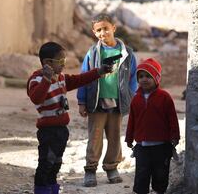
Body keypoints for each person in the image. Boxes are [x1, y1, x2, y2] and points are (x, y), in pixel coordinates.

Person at [27, 42, 113, 194]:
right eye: (60, 61)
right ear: (47, 63)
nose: (63, 65)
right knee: (46, 163)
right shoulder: (37, 80)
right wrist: (46, 80)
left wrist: (99, 71)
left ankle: (51, 187)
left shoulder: (60, 77)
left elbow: (79, 79)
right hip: (48, 131)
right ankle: (41, 189)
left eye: (64, 61)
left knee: (56, 163)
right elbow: (36, 98)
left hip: (61, 130)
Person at [77, 13, 138, 187]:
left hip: (117, 103)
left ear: (114, 28)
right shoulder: (93, 53)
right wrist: (82, 101)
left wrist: (131, 95)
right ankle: (90, 170)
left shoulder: (126, 53)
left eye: (106, 28)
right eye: (98, 30)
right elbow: (84, 77)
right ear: (93, 32)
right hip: (96, 102)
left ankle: (111, 167)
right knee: (94, 137)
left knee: (114, 136)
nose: (103, 33)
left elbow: (132, 78)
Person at [125, 58, 180, 194]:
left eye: (148, 76)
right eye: (141, 76)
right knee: (141, 175)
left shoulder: (164, 97)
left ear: (156, 78)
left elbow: (172, 118)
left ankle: (159, 191)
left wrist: (175, 136)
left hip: (162, 146)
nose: (144, 79)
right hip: (142, 147)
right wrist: (129, 137)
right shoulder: (136, 99)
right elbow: (132, 119)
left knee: (160, 175)